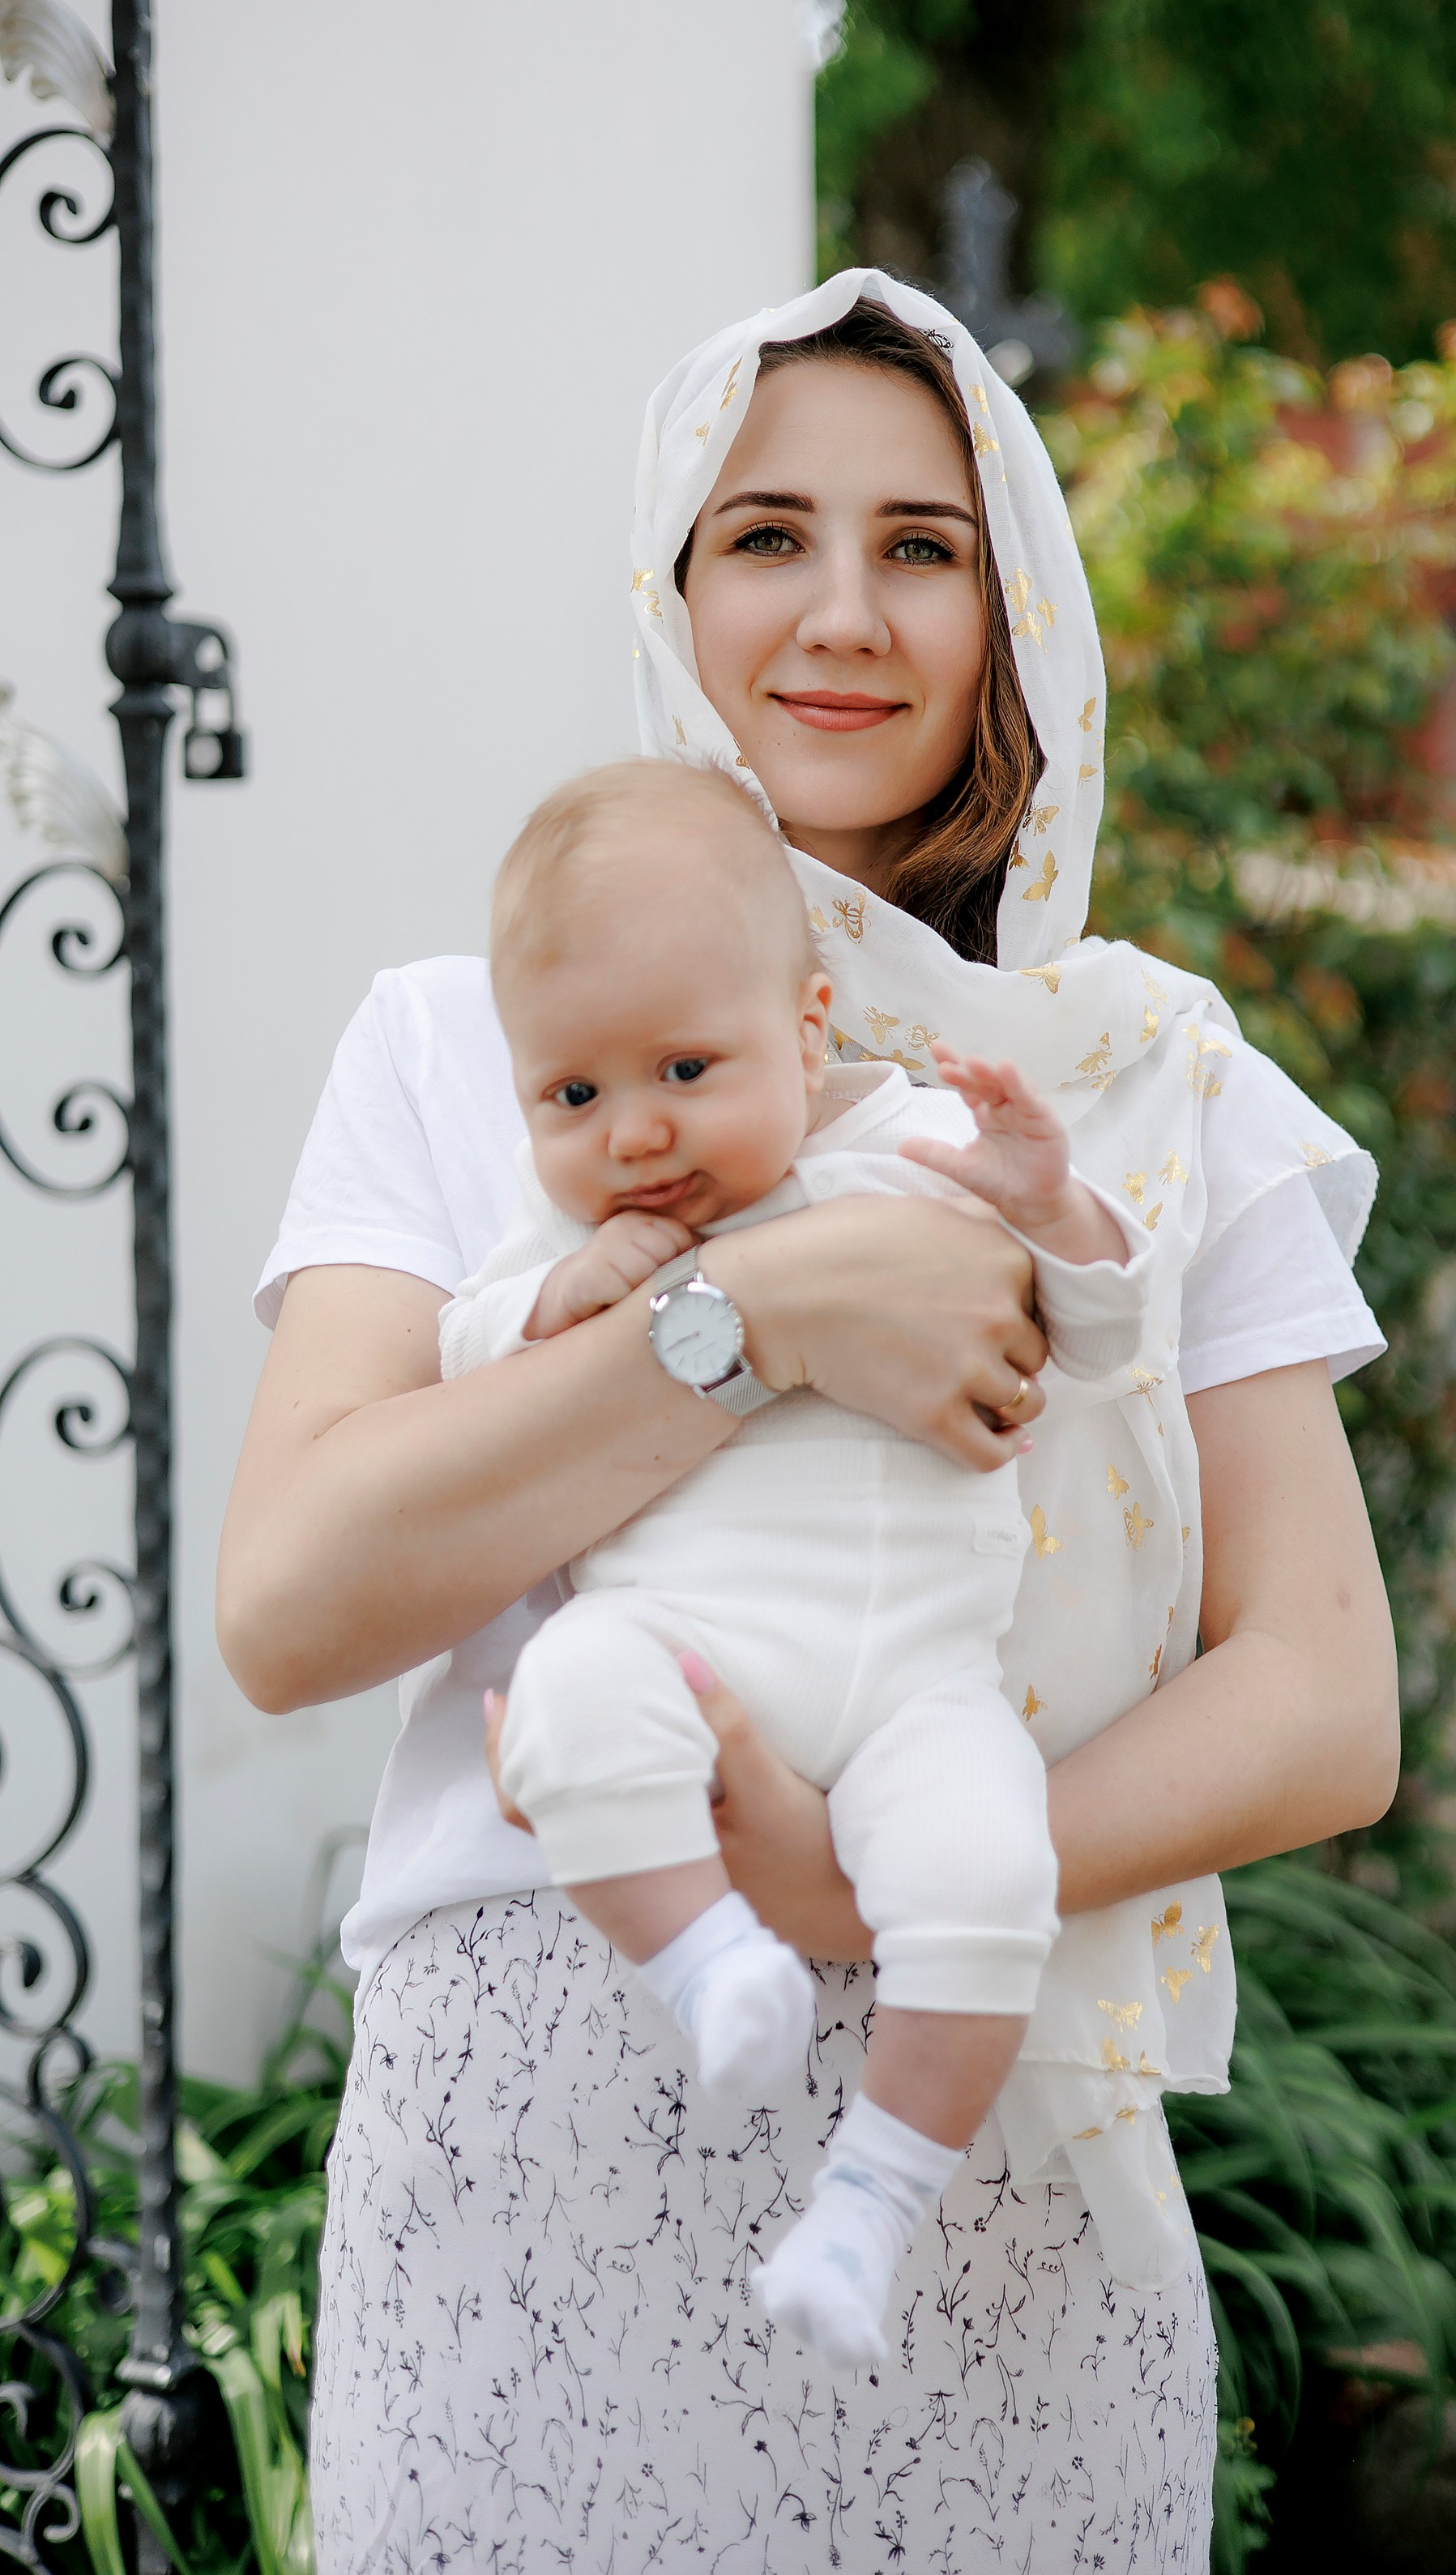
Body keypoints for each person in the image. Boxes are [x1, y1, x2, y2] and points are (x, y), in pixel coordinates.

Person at [218, 274, 1400, 2573]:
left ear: (1014, 613)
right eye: (761, 534)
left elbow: (1319, 1696)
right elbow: (292, 1600)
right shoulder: (471, 1045)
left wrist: (871, 1874)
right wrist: (754, 1313)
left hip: (993, 2156)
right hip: (529, 2155)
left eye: (922, 545)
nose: (839, 612)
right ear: (672, 590)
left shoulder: (1149, 1093)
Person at [451, 752, 1155, 2367]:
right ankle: (707, 1962)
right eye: (571, 1096)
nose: (632, 1133)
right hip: (694, 1656)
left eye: (687, 1067)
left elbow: (1108, 1342)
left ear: (812, 1029)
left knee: (992, 1880)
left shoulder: (917, 1150)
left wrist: (1056, 1211)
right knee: (567, 1699)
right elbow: (468, 1350)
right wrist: (580, 1299)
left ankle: (868, 2210)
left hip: (923, 1682)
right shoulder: (569, 1237)